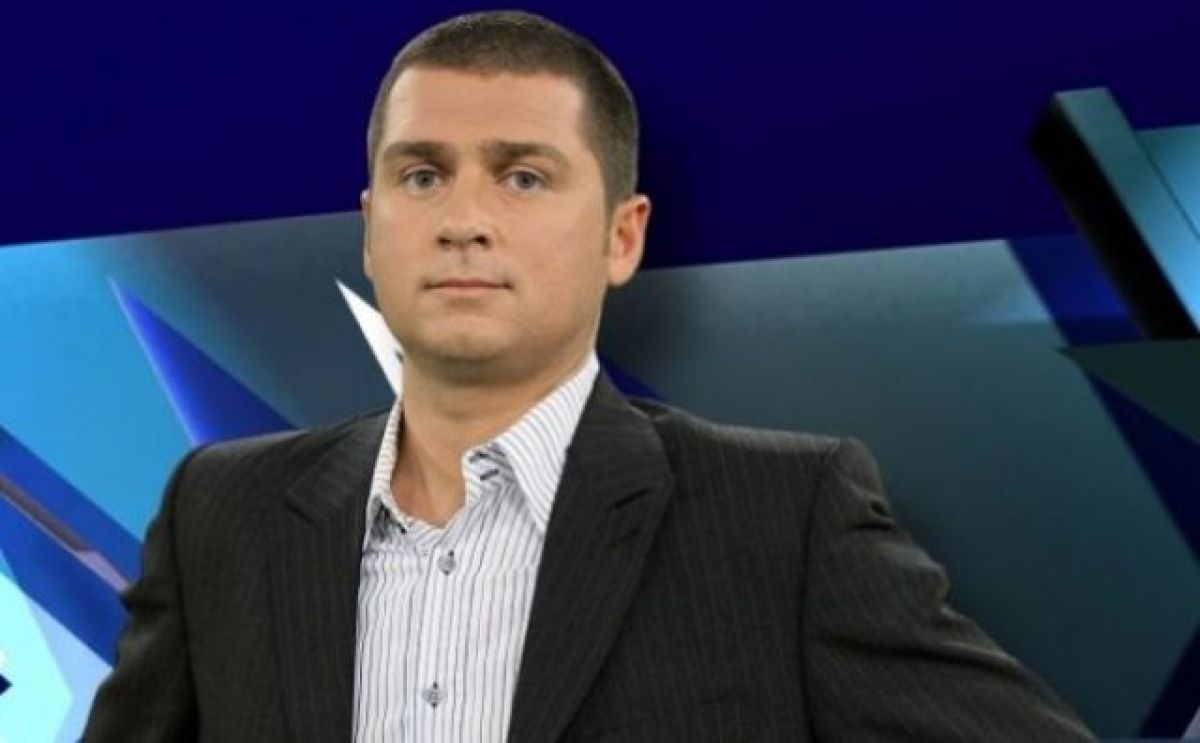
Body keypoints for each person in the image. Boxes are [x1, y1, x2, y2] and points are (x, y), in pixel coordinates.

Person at [84, 10, 1096, 742]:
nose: (463, 217)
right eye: (422, 174)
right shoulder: (224, 511)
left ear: (623, 235)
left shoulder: (784, 518)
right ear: (372, 224)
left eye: (523, 176)